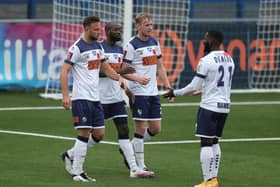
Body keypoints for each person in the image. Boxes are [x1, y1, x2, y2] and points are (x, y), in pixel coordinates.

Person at [60, 16, 128, 182]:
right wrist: (65, 95)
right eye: (96, 29)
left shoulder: (98, 46)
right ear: (87, 29)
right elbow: (64, 71)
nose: (99, 32)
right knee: (84, 132)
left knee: (99, 134)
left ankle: (69, 155)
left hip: (95, 98)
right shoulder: (77, 48)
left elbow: (106, 67)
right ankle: (78, 171)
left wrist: (118, 78)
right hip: (81, 98)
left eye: (99, 29)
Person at [163, 30, 235, 187]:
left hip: (209, 106)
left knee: (206, 143)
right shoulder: (229, 59)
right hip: (225, 106)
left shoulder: (206, 60)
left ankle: (208, 181)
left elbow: (193, 86)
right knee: (215, 142)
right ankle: (213, 180)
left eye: (206, 38)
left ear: (213, 41)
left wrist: (174, 92)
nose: (203, 41)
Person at [98, 22, 154, 178]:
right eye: (115, 30)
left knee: (124, 130)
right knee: (95, 135)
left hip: (116, 98)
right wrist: (122, 70)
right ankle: (72, 154)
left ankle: (134, 169)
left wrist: (128, 91)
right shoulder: (100, 49)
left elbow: (118, 76)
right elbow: (99, 72)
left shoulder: (118, 50)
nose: (118, 32)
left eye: (119, 30)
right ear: (107, 31)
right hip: (99, 98)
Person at [123, 12, 173, 175]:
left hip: (153, 92)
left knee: (156, 129)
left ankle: (128, 149)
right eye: (146, 25)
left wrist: (167, 85)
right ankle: (140, 166)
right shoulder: (131, 45)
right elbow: (122, 70)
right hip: (138, 91)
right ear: (138, 26)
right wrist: (136, 78)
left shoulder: (154, 42)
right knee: (140, 127)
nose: (150, 27)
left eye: (151, 24)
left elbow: (160, 66)